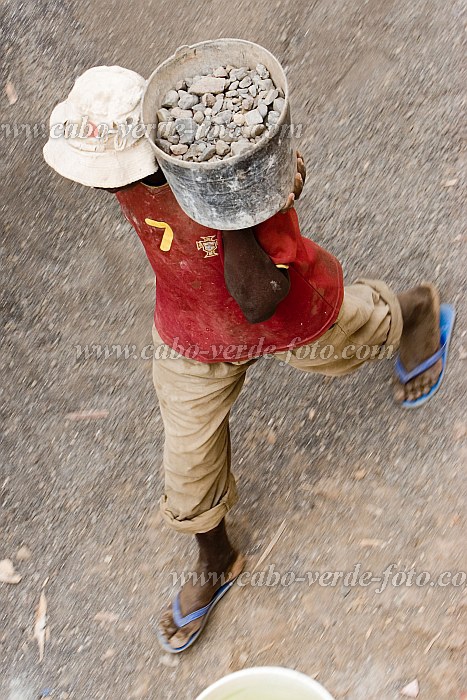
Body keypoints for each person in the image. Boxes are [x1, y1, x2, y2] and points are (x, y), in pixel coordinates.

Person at [43, 65, 455, 654]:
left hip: (279, 308)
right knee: (187, 458)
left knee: (354, 341)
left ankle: (413, 311)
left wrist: (232, 215)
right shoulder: (134, 177)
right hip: (193, 327)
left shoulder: (237, 185)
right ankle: (216, 558)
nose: (102, 184)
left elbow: (262, 298)